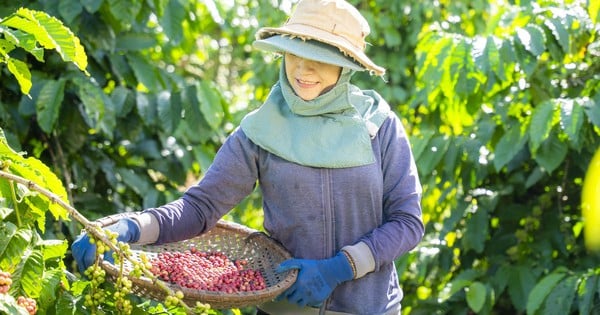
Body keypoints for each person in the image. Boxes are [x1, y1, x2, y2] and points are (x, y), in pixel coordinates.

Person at [71, 0, 424, 314]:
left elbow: (408, 222)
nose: (303, 69)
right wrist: (131, 228)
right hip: (286, 308)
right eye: (294, 53)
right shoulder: (261, 130)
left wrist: (339, 268)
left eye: (320, 59)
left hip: (371, 307)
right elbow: (199, 208)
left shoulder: (379, 127)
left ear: (345, 65)